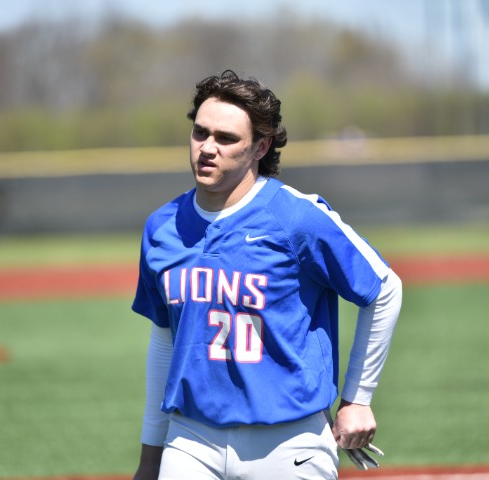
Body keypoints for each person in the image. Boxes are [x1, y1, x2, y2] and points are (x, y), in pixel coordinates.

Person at [131, 69, 402, 480]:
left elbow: (384, 289)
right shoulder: (162, 226)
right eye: (200, 132)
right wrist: (151, 457)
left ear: (261, 146)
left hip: (288, 444)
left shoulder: (296, 218)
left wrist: (357, 399)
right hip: (190, 440)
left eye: (226, 138)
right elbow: (165, 341)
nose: (207, 148)